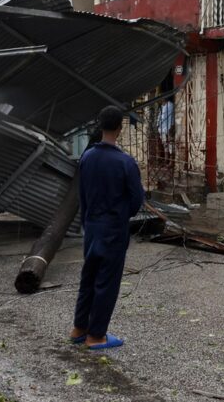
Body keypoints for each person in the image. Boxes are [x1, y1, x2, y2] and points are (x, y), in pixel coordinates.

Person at [69, 106, 144, 350]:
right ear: (120, 128)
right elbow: (136, 200)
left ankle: (79, 328)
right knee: (107, 282)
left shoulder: (87, 157)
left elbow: (82, 194)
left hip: (91, 226)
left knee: (88, 277)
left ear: (100, 126)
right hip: (113, 229)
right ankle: (97, 335)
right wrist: (121, 215)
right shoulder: (125, 162)